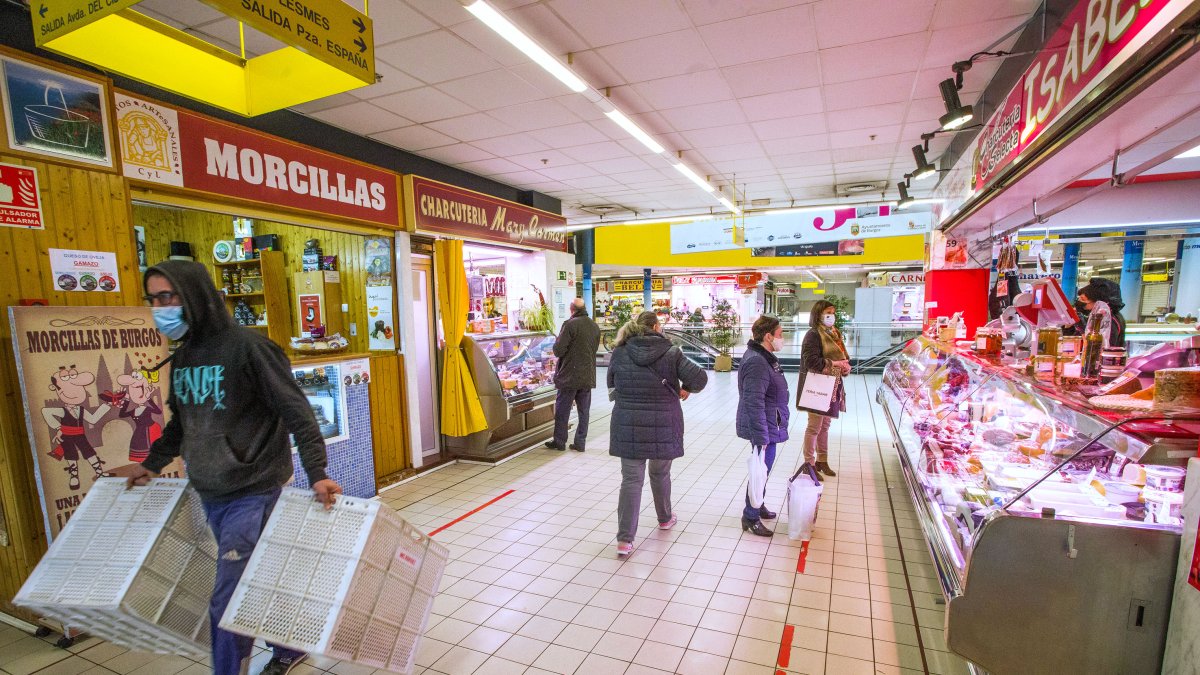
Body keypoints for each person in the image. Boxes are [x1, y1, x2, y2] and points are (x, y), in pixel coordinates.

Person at [126, 260, 342, 675]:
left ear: (195, 296)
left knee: (228, 599)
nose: (160, 308)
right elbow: (182, 422)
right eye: (153, 299)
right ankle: (287, 648)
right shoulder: (185, 354)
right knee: (258, 576)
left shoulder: (249, 348)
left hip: (252, 490)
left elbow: (298, 413)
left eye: (167, 297)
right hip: (211, 490)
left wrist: (317, 472)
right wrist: (149, 465)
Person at [608, 311, 707, 557]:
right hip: (665, 421)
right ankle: (664, 518)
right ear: (655, 326)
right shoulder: (671, 352)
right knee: (660, 472)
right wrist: (686, 390)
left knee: (631, 480)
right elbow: (700, 378)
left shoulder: (620, 351)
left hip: (627, 420)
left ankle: (624, 540)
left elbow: (612, 383)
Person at [735, 315, 790, 537]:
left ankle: (758, 504)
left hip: (769, 422)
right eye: (780, 334)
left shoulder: (764, 357)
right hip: (763, 426)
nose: (782, 338)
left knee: (763, 471)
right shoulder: (758, 361)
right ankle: (750, 516)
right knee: (760, 471)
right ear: (768, 336)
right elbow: (753, 400)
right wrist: (761, 435)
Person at [797, 300, 850, 478]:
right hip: (817, 386)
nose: (831, 315)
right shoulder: (813, 335)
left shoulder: (835, 333)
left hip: (833, 385)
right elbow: (811, 361)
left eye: (833, 312)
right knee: (814, 427)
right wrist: (834, 363)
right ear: (818, 314)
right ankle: (809, 463)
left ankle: (822, 460)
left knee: (825, 426)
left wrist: (845, 367)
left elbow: (844, 356)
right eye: (828, 312)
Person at [545, 298, 601, 451]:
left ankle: (559, 441)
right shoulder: (594, 326)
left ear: (571, 309)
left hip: (569, 376)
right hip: (587, 375)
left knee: (563, 410)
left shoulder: (570, 325)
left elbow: (558, 350)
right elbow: (594, 349)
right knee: (584, 411)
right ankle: (580, 442)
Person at [1072, 277, 1127, 347]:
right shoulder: (1092, 318)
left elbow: (1098, 349)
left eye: (1083, 299)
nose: (1079, 302)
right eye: (1078, 298)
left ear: (1099, 302)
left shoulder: (1109, 321)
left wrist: (1082, 328)